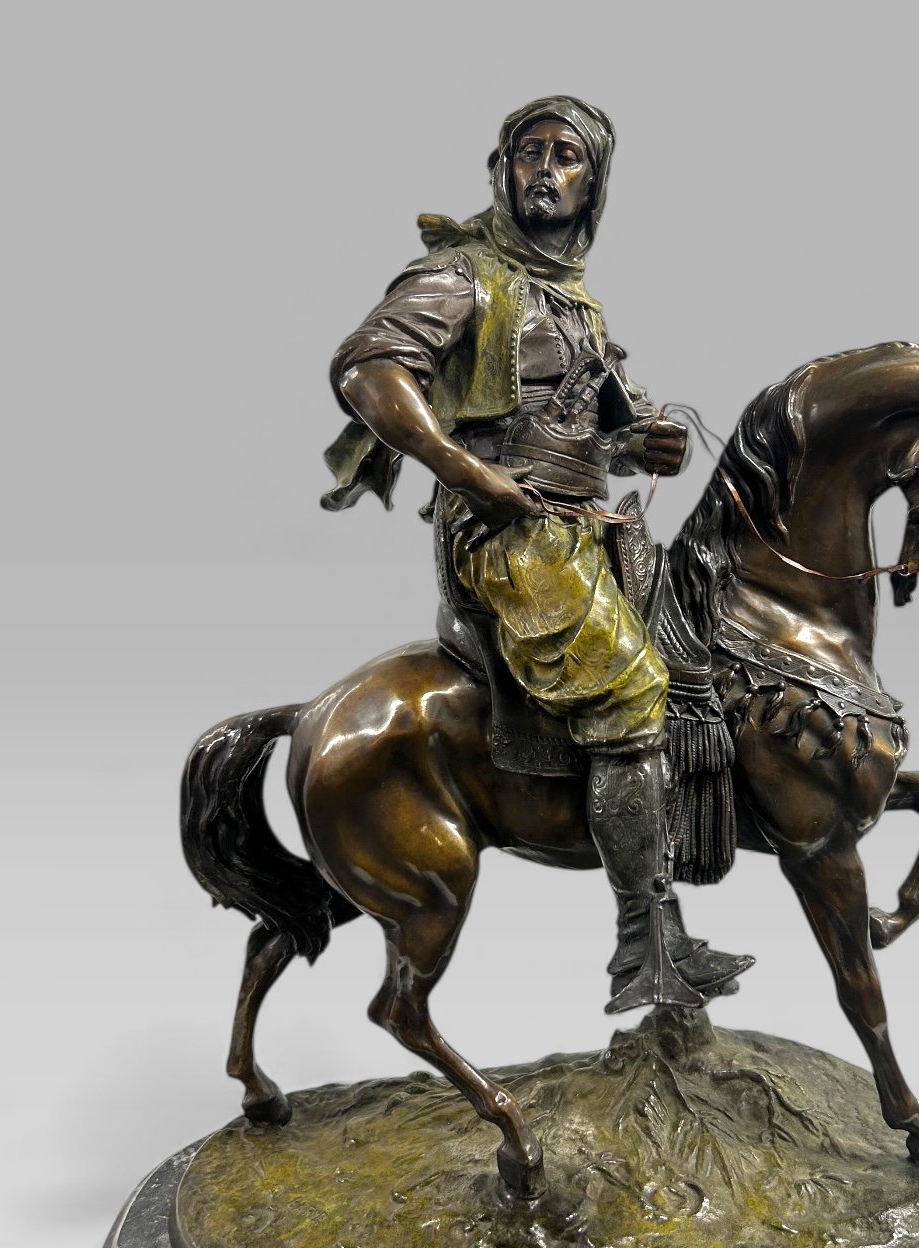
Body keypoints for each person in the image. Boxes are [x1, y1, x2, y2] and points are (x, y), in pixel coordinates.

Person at [323, 96, 751, 1014]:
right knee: (633, 691)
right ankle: (641, 944)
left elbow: (605, 433)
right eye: (529, 153)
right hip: (507, 534)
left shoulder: (572, 299)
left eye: (567, 157)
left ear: (595, 185)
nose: (545, 171)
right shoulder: (464, 275)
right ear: (502, 169)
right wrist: (465, 470)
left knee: (705, 646)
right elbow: (368, 368)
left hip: (585, 524)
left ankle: (669, 911)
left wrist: (646, 445)